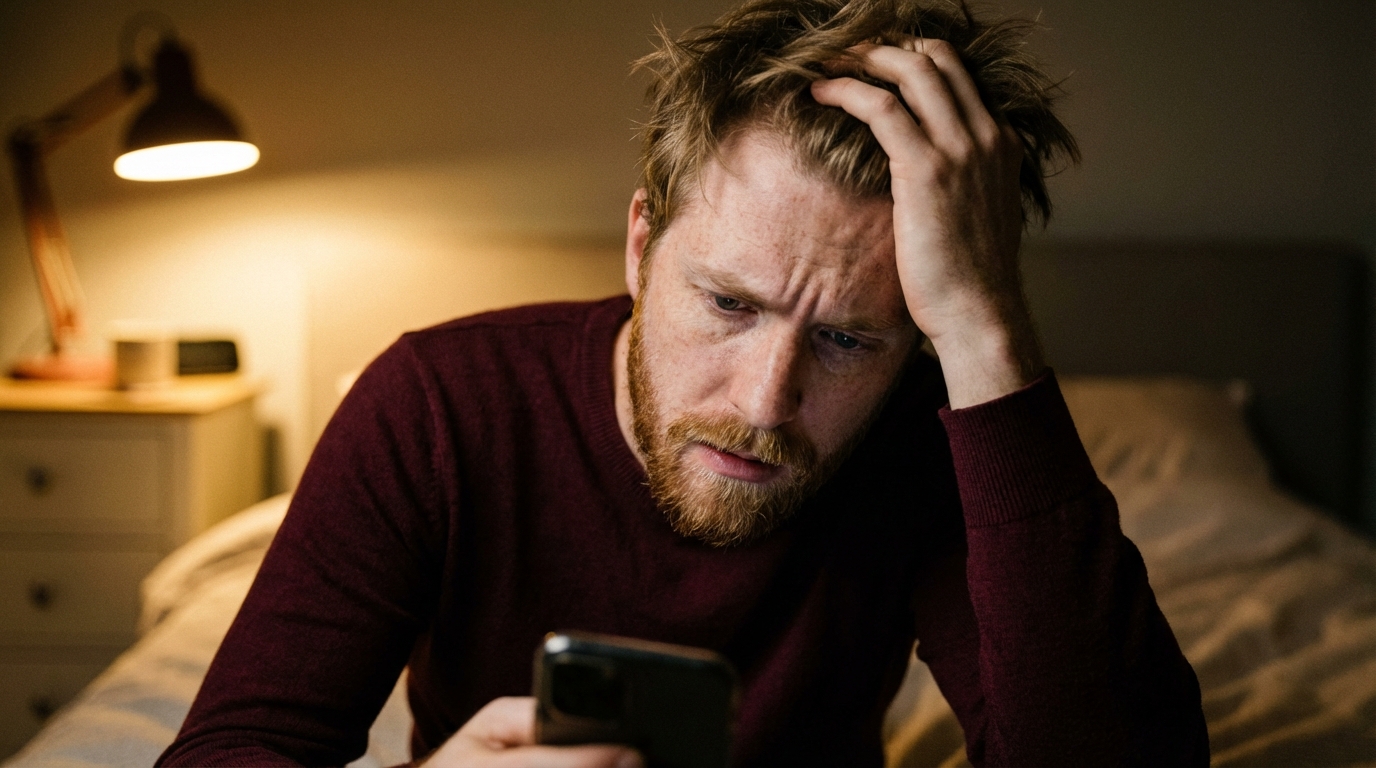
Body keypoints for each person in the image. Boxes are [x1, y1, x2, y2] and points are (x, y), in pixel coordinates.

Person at [159, 1, 1209, 765]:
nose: (762, 404)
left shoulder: (924, 447)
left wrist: (986, 335)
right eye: (727, 305)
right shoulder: (436, 405)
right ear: (638, 245)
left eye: (848, 342)